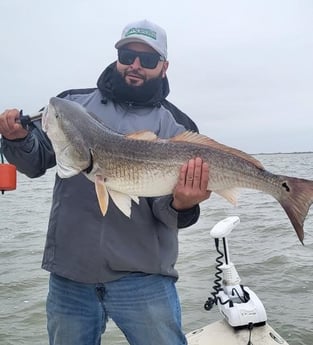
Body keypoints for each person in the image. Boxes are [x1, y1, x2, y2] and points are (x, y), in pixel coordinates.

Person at [0, 19, 211, 345]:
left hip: (144, 279)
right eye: (127, 55)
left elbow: (170, 213)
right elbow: (35, 161)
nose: (135, 65)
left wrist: (183, 204)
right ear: (117, 57)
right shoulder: (69, 104)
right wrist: (16, 139)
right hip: (70, 276)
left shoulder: (177, 126)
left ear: (164, 66)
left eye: (149, 60)